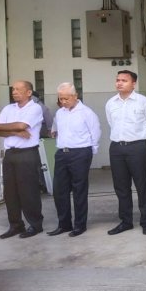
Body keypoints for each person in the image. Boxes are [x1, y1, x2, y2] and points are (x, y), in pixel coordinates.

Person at [105, 70, 146, 235]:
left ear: (133, 84)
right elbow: (111, 123)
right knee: (121, 187)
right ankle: (125, 221)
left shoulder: (142, 102)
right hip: (116, 148)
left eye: (124, 80)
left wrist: (142, 138)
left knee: (142, 186)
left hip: (138, 148)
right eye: (117, 80)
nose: (119, 83)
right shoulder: (111, 103)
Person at [48, 82, 101, 237]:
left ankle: (80, 225)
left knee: (79, 190)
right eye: (61, 98)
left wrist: (90, 153)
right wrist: (53, 132)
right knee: (59, 190)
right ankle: (64, 224)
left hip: (80, 153)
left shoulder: (86, 113)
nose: (63, 101)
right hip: (62, 153)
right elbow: (55, 128)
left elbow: (95, 133)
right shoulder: (60, 113)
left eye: (66, 98)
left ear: (75, 96)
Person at [0, 80, 44, 239]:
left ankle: (35, 225)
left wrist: (2, 127)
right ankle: (16, 225)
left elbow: (22, 125)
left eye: (18, 89)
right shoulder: (8, 109)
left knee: (28, 191)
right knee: (10, 193)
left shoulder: (35, 108)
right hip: (10, 155)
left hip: (27, 154)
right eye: (13, 89)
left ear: (29, 92)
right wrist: (15, 132)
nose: (14, 92)